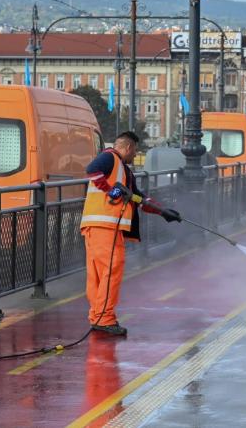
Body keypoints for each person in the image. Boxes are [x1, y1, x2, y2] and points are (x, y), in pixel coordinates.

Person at [80, 131, 181, 336]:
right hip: (105, 227)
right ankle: (104, 319)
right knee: (111, 272)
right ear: (127, 147)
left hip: (96, 227)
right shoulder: (110, 157)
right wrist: (110, 190)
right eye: (134, 151)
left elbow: (137, 198)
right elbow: (92, 170)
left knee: (98, 276)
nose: (135, 155)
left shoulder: (123, 171)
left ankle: (97, 315)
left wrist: (163, 211)